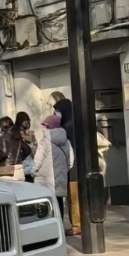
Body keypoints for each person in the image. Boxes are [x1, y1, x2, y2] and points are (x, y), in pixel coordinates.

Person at [33, 114, 74, 220]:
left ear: (49, 127)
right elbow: (70, 162)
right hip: (61, 177)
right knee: (59, 201)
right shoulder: (67, 142)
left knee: (46, 204)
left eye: (46, 126)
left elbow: (38, 160)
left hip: (45, 179)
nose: (44, 128)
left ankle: (50, 227)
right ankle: (60, 225)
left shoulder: (44, 142)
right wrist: (64, 170)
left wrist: (34, 171)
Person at [52, 94, 79, 235]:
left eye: (58, 111)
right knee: (72, 196)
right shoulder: (71, 125)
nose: (56, 115)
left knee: (73, 197)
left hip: (73, 166)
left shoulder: (69, 127)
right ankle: (76, 223)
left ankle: (77, 224)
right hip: (72, 165)